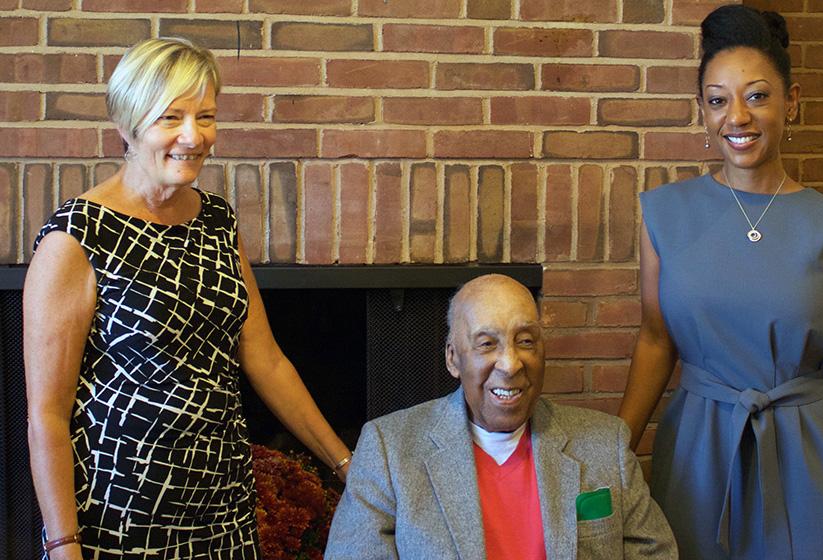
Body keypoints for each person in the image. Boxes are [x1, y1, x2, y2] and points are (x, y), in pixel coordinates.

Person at [23, 37, 353, 560]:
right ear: (129, 125)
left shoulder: (218, 221)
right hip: (120, 518)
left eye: (206, 117)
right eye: (171, 118)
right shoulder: (77, 237)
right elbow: (47, 414)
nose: (193, 136)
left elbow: (266, 359)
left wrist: (345, 467)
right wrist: (63, 543)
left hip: (224, 510)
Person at [617, 5, 823, 560]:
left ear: (791, 103)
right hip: (698, 454)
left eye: (757, 95)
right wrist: (611, 450)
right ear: (702, 113)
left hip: (810, 458)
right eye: (718, 100)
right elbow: (655, 340)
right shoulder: (663, 218)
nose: (736, 116)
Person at [325, 274, 677, 559]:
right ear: (453, 358)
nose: (510, 364)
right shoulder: (389, 450)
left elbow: (656, 552)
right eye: (487, 344)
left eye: (525, 341)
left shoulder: (605, 444)